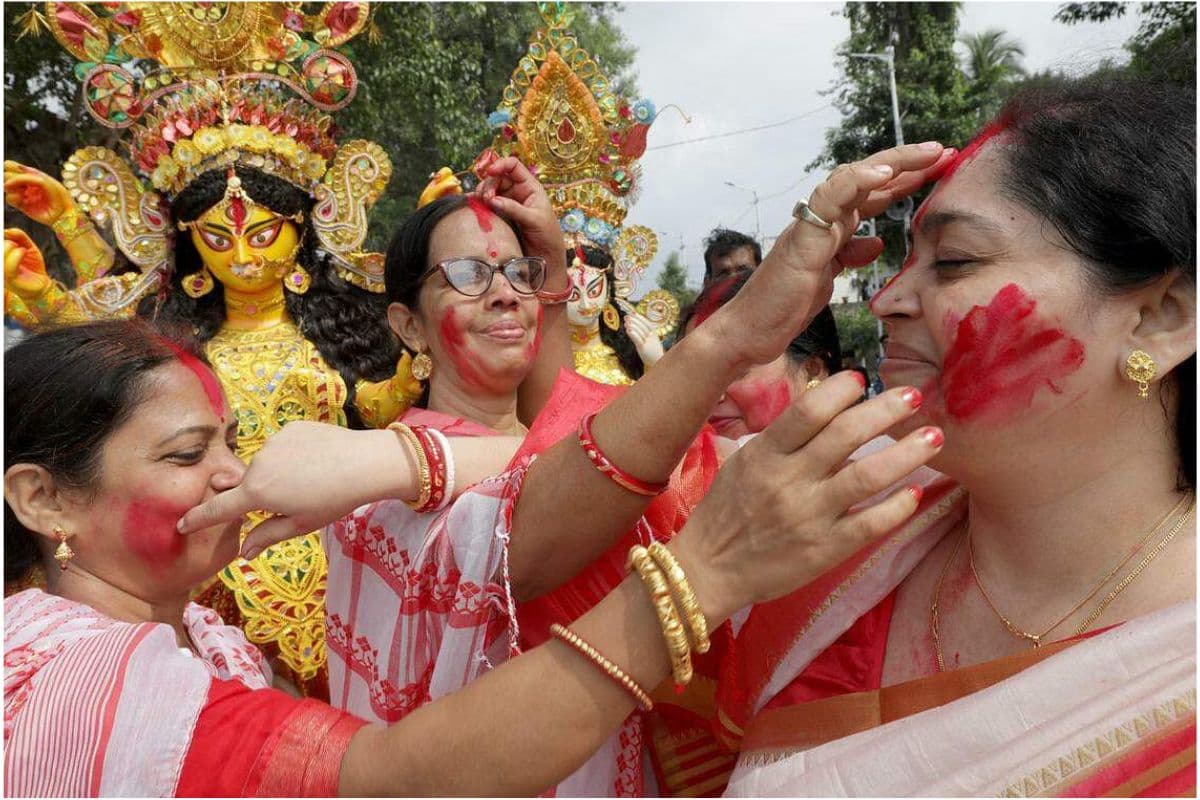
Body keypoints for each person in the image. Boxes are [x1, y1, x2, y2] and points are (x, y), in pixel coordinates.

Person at [4, 248, 940, 797]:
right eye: (183, 457)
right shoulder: (71, 678)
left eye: (521, 269)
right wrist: (708, 567)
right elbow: (399, 774)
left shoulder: (206, 631)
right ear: (41, 498)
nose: (230, 475)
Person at [174, 139, 956, 795]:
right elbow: (543, 511)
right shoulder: (380, 506)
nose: (507, 297)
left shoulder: (390, 464)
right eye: (471, 277)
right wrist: (735, 335)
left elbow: (577, 447)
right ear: (407, 324)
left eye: (520, 276)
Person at [720, 70, 1196, 797]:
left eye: (954, 262)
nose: (885, 300)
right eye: (905, 262)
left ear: (1159, 318)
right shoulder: (831, 520)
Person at [0, 3, 432, 696]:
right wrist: (57, 287)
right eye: (217, 236)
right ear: (186, 241)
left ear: (303, 231)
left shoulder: (339, 332)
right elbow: (75, 399)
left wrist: (427, 343)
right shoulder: (172, 353)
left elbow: (379, 408)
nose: (242, 254)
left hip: (336, 566)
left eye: (264, 235)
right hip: (196, 574)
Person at [483, 7, 678, 385]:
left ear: (610, 288)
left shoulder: (625, 356)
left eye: (594, 288)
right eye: (573, 291)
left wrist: (656, 364)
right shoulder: (526, 356)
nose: (587, 303)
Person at [679, 269, 844, 443]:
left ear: (812, 370)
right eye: (695, 376)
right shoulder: (671, 467)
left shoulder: (866, 463)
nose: (710, 397)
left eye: (735, 369)